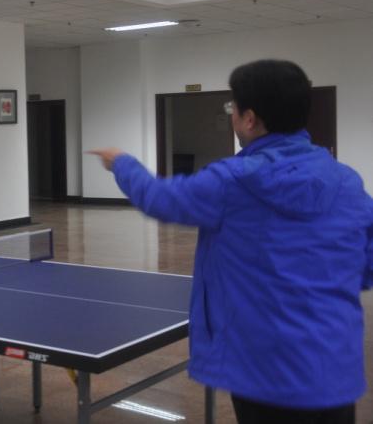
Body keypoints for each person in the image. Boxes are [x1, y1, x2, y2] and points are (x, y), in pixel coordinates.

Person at [89, 59, 373, 424]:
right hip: (334, 367)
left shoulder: (232, 181)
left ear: (249, 119)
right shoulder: (347, 182)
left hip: (264, 371)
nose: (232, 116)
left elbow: (160, 198)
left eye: (232, 108)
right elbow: (366, 267)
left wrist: (121, 163)